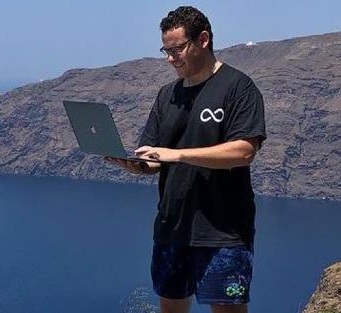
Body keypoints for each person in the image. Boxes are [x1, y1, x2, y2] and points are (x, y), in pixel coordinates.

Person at [104, 6, 266, 313]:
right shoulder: (167, 95)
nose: (170, 58)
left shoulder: (238, 88)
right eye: (165, 50)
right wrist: (133, 163)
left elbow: (244, 151)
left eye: (177, 48)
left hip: (223, 233)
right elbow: (154, 159)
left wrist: (178, 155)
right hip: (172, 229)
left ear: (203, 39)